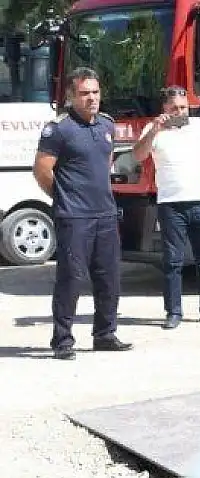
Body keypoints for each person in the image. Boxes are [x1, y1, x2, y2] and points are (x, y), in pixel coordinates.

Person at [32, 67, 132, 360]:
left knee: (109, 277)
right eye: (85, 93)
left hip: (105, 214)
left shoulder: (107, 126)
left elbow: (106, 164)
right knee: (71, 279)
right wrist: (64, 197)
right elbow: (42, 171)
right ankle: (62, 341)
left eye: (95, 92)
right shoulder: (59, 129)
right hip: (74, 217)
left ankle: (105, 334)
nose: (92, 98)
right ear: (71, 96)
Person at [132, 85, 200, 329]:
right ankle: (174, 312)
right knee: (173, 261)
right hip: (170, 204)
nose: (179, 112)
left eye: (183, 107)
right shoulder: (154, 129)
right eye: (174, 108)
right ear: (165, 109)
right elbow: (138, 156)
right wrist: (154, 131)